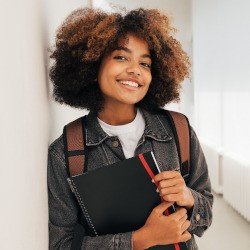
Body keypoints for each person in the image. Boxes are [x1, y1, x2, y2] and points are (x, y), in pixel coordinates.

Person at [48, 7, 213, 250]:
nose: (135, 69)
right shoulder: (65, 152)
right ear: (93, 65)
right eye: (121, 57)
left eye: (144, 63)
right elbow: (61, 244)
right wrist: (140, 240)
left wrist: (188, 198)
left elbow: (205, 217)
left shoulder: (179, 130)